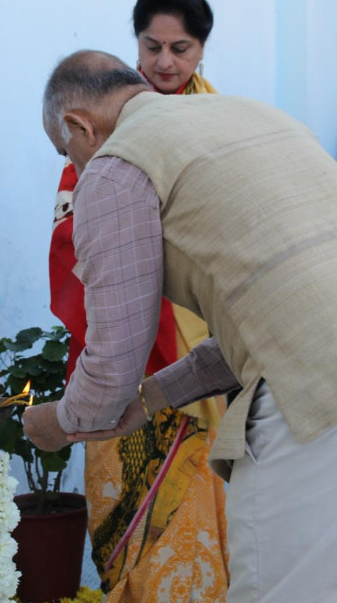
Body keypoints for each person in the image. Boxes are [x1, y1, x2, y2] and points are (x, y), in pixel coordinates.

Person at [24, 50, 337, 603]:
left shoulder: (116, 166)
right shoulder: (255, 113)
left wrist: (59, 422)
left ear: (79, 126)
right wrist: (153, 397)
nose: (74, 170)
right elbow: (266, 323)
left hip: (312, 395)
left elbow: (112, 365)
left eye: (65, 152)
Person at [48, 0, 229, 602]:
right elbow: (76, 250)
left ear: (202, 50)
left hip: (206, 351)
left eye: (181, 48)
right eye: (152, 47)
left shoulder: (217, 126)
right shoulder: (98, 135)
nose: (165, 63)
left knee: (206, 520)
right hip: (126, 351)